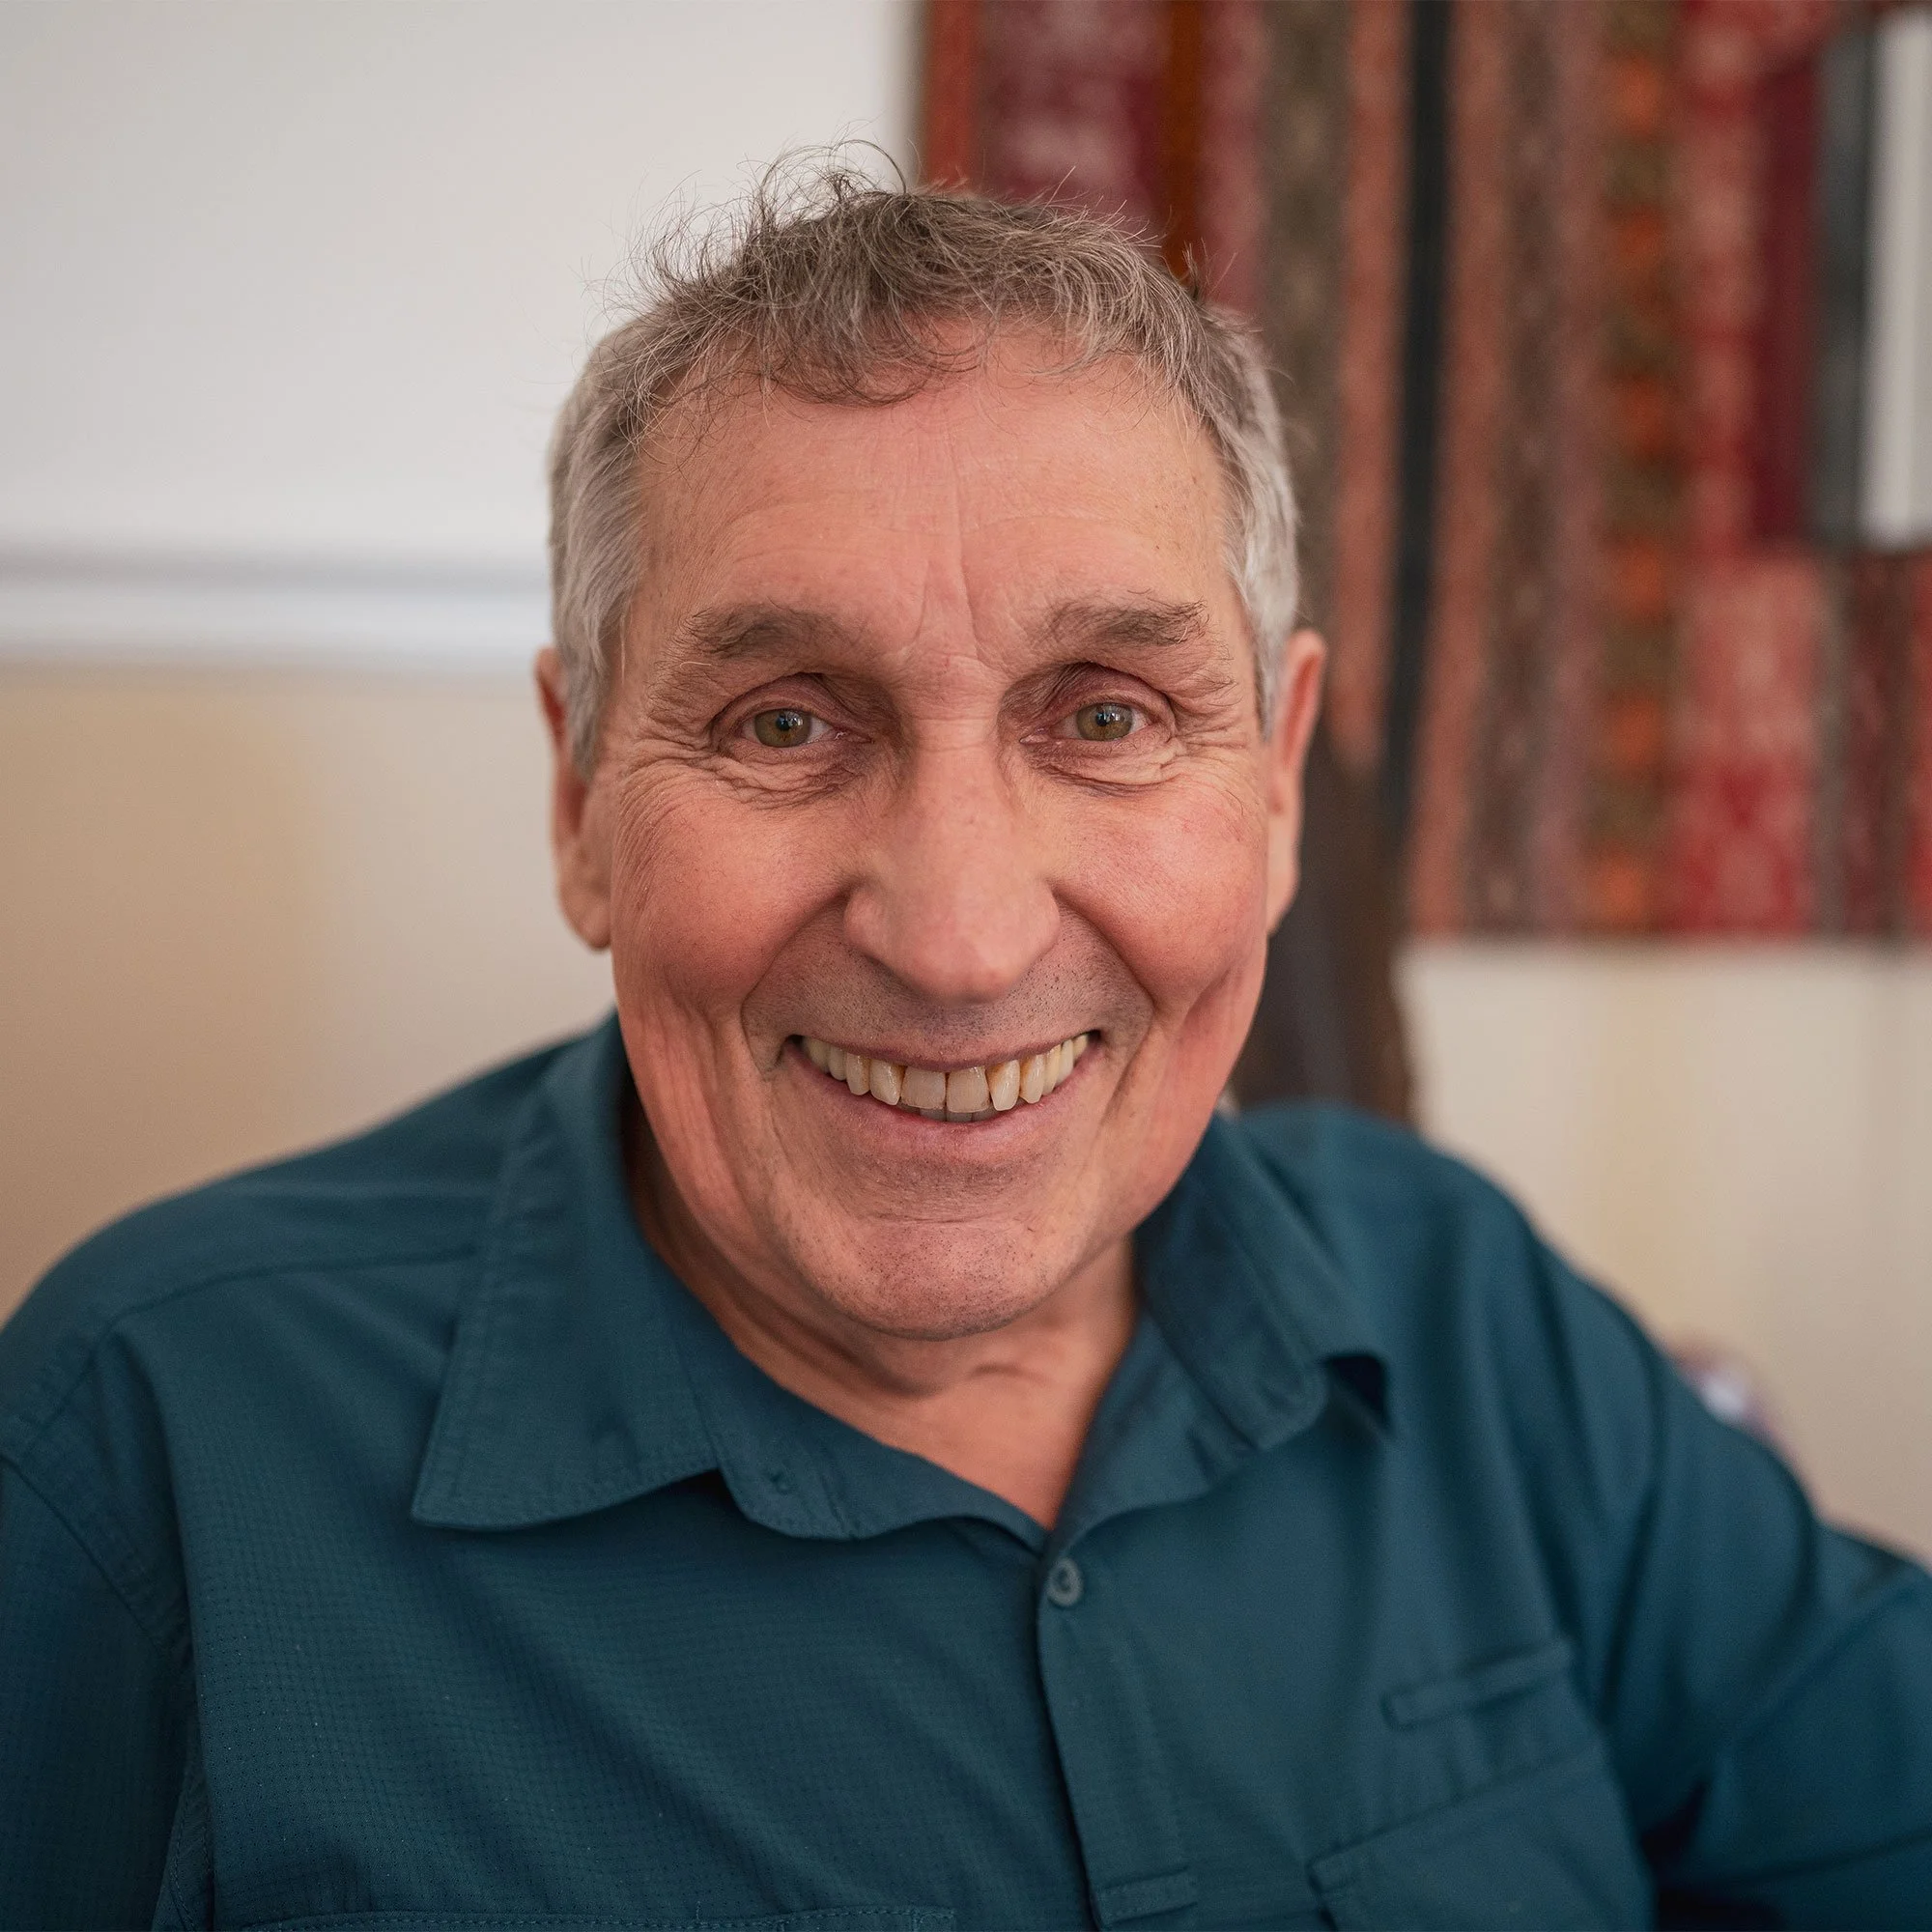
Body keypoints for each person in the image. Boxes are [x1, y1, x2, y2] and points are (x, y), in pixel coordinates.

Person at [2, 165, 1928, 1932]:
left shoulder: (1460, 1304)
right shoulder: (148, 1438)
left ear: (1270, 789)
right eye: (781, 722)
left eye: (1101, 715)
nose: (957, 936)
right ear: (582, 793)